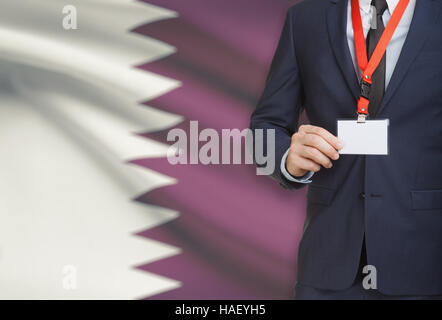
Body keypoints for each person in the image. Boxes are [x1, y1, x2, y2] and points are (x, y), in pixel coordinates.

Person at [250, 0, 442, 299]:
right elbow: (265, 125)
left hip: (427, 261)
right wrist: (286, 159)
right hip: (328, 263)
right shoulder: (305, 19)